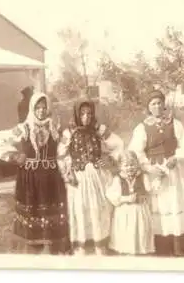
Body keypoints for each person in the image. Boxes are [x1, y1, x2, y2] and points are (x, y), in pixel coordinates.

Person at [0, 92, 70, 255]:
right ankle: (33, 248)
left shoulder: (55, 128)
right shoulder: (24, 128)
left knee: (51, 212)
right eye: (37, 108)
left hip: (51, 177)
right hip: (30, 178)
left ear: (48, 109)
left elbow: (64, 150)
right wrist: (14, 156)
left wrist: (67, 168)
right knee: (32, 212)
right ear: (32, 109)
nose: (41, 111)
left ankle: (52, 247)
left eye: (44, 107)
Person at [128, 89, 184, 257]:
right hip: (155, 172)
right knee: (160, 206)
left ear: (164, 104)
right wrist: (149, 167)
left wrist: (178, 157)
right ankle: (161, 246)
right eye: (153, 104)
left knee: (176, 202)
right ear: (148, 107)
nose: (157, 106)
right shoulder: (142, 127)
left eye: (159, 103)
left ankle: (180, 245)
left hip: (174, 170)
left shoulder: (174, 123)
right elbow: (136, 151)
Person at [58, 99, 124, 255]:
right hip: (78, 178)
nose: (86, 117)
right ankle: (81, 246)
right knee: (81, 209)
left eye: (89, 113)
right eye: (82, 113)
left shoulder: (99, 129)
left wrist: (109, 159)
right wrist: (68, 173)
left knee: (98, 209)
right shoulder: (69, 132)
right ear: (76, 114)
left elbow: (119, 144)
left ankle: (99, 244)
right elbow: (61, 155)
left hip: (96, 176)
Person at [106, 150, 159, 256]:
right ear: (120, 166)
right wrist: (126, 199)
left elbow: (150, 189)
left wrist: (158, 180)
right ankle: (126, 252)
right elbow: (111, 194)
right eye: (126, 165)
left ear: (137, 164)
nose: (130, 168)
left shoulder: (143, 176)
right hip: (124, 210)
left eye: (132, 165)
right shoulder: (118, 179)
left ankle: (139, 251)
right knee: (126, 231)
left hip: (139, 210)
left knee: (140, 230)